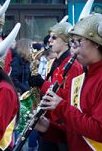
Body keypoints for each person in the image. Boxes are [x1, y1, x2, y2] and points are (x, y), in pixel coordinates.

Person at [34, 0, 102, 150]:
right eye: (72, 42)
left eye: (78, 42)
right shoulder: (83, 77)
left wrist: (61, 106)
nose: (73, 48)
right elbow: (78, 132)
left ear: (97, 45)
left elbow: (100, 132)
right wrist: (48, 128)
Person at [28, 15, 83, 150]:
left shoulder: (73, 65)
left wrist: (42, 84)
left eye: (54, 37)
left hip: (61, 122)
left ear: (65, 41)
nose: (50, 41)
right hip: (49, 119)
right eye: (50, 37)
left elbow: (69, 95)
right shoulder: (53, 62)